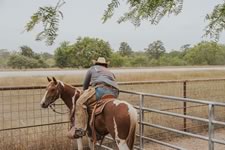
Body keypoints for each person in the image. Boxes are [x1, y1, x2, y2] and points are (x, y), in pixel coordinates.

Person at [67, 57, 119, 139]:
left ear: (96, 63)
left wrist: (84, 93)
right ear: (105, 65)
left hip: (100, 89)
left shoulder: (92, 69)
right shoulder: (109, 72)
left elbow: (85, 85)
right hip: (114, 92)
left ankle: (80, 129)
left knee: (80, 103)